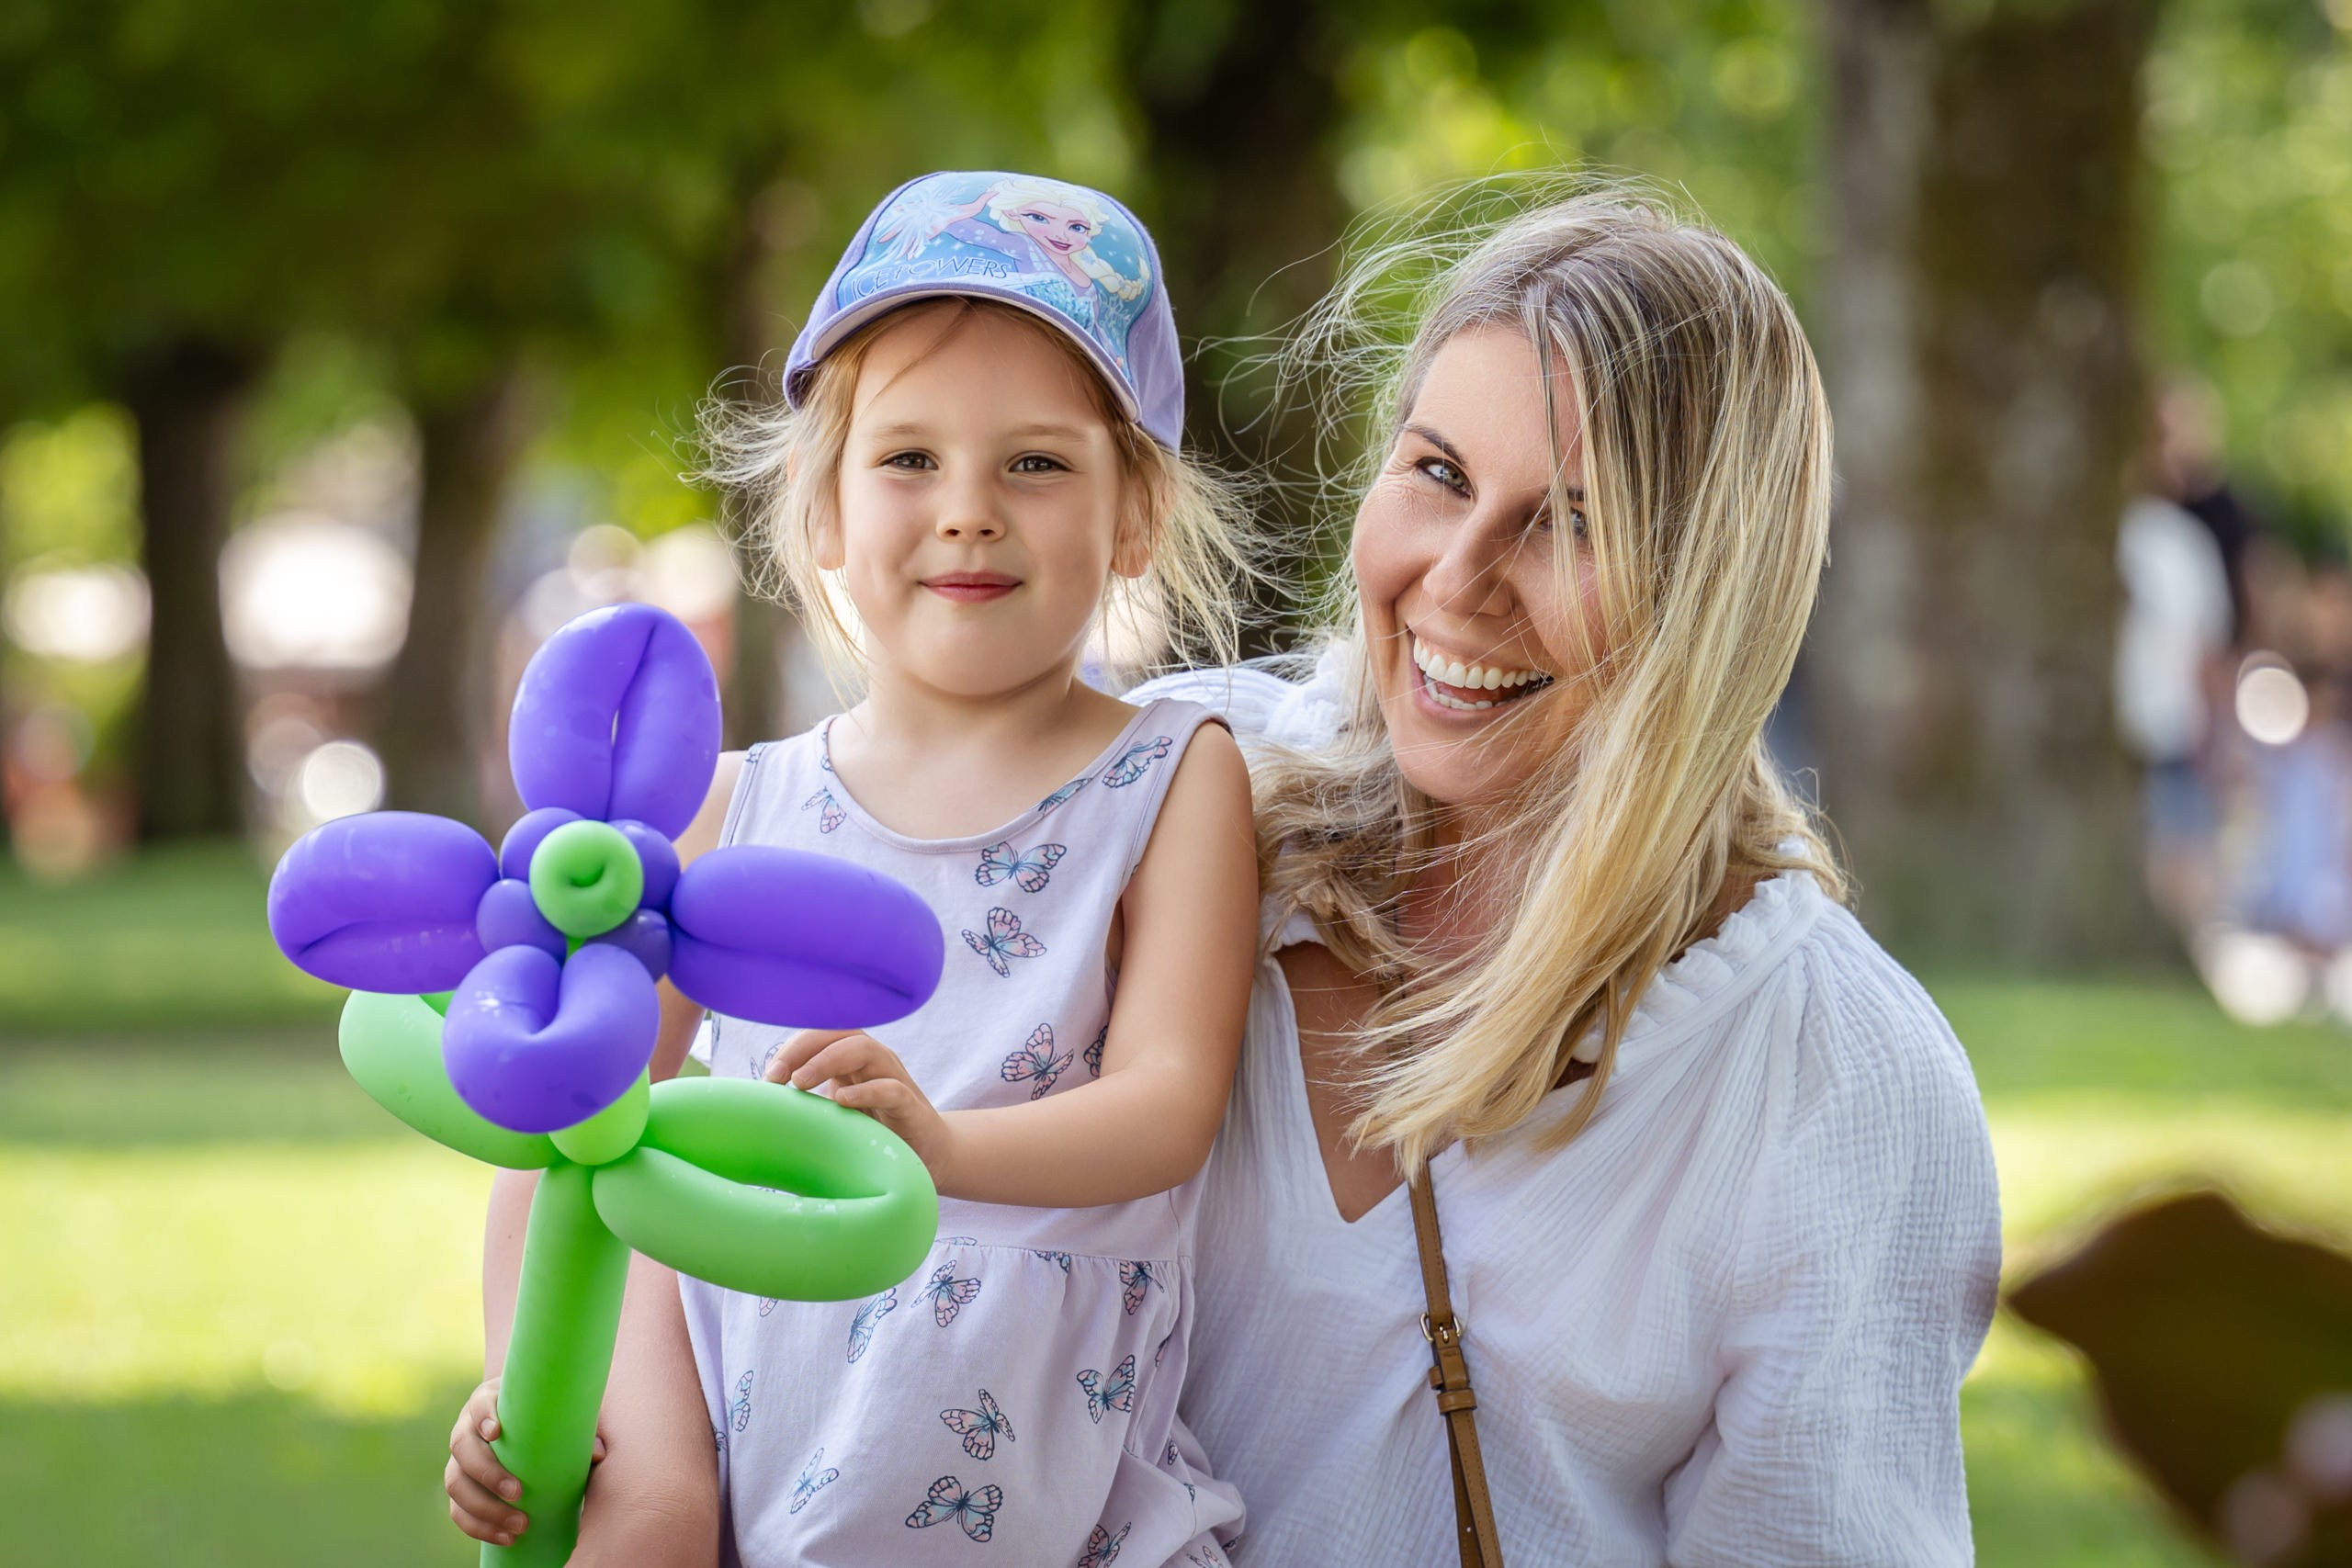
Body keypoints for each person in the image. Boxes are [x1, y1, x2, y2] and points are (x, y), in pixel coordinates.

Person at [452, 181, 2003, 1565]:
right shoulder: (1176, 774)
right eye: (1439, 474)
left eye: (1572, 523)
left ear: (1713, 591)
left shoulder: (1831, 1084)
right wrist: (593, 1436)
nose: (1458, 585)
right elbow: (617, 1152)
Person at [445, 169, 1258, 1568]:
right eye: (907, 459)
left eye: (1037, 463)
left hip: (1043, 1482)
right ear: (820, 513)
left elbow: (1171, 1103)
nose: (967, 511)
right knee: (638, 1533)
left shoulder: (1171, 779)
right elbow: (569, 1143)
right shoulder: (728, 812)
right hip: (746, 1412)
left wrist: (942, 1154)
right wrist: (531, 1389)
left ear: (1136, 518)